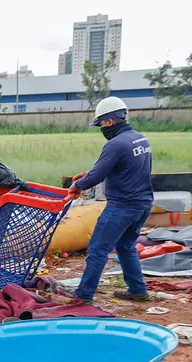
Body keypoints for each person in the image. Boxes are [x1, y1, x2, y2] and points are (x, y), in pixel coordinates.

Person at [69, 96, 154, 304]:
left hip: (122, 206)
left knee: (98, 249)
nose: (101, 128)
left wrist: (77, 186)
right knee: (126, 246)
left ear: (109, 121)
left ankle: (84, 295)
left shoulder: (115, 144)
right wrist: (87, 174)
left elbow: (98, 175)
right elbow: (120, 167)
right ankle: (137, 290)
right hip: (143, 204)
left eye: (101, 124)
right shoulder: (140, 139)